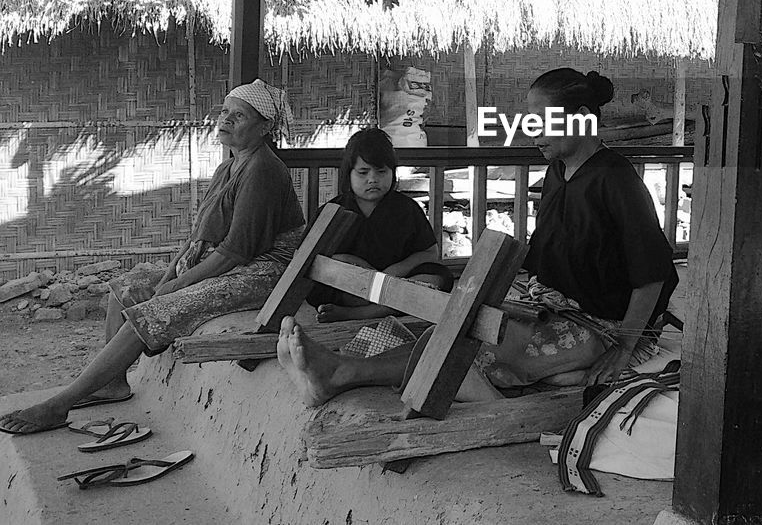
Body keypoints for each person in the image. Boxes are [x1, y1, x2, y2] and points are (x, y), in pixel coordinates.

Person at [277, 68, 679, 407]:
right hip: (549, 303)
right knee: (450, 317)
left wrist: (623, 347)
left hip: (598, 323)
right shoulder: (558, 174)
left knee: (467, 346)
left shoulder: (616, 179)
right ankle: (343, 367)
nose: (532, 130)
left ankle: (341, 373)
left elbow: (652, 273)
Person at [0, 80, 307, 435]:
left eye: (238, 116)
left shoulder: (264, 169)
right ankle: (112, 383)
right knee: (126, 289)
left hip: (262, 273)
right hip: (232, 264)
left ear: (265, 127)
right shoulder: (229, 167)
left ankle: (60, 404)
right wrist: (167, 279)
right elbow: (199, 236)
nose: (225, 120)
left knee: (154, 310)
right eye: (224, 112)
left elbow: (236, 251)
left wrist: (179, 284)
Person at [309, 128, 452, 323]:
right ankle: (383, 308)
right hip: (352, 288)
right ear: (348, 174)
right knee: (315, 288)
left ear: (393, 173)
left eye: (381, 171)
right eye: (363, 172)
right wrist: (347, 263)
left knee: (439, 278)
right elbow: (307, 259)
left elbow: (429, 252)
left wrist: (392, 273)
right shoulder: (332, 210)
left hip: (395, 283)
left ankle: (362, 314)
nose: (372, 179)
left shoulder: (406, 208)